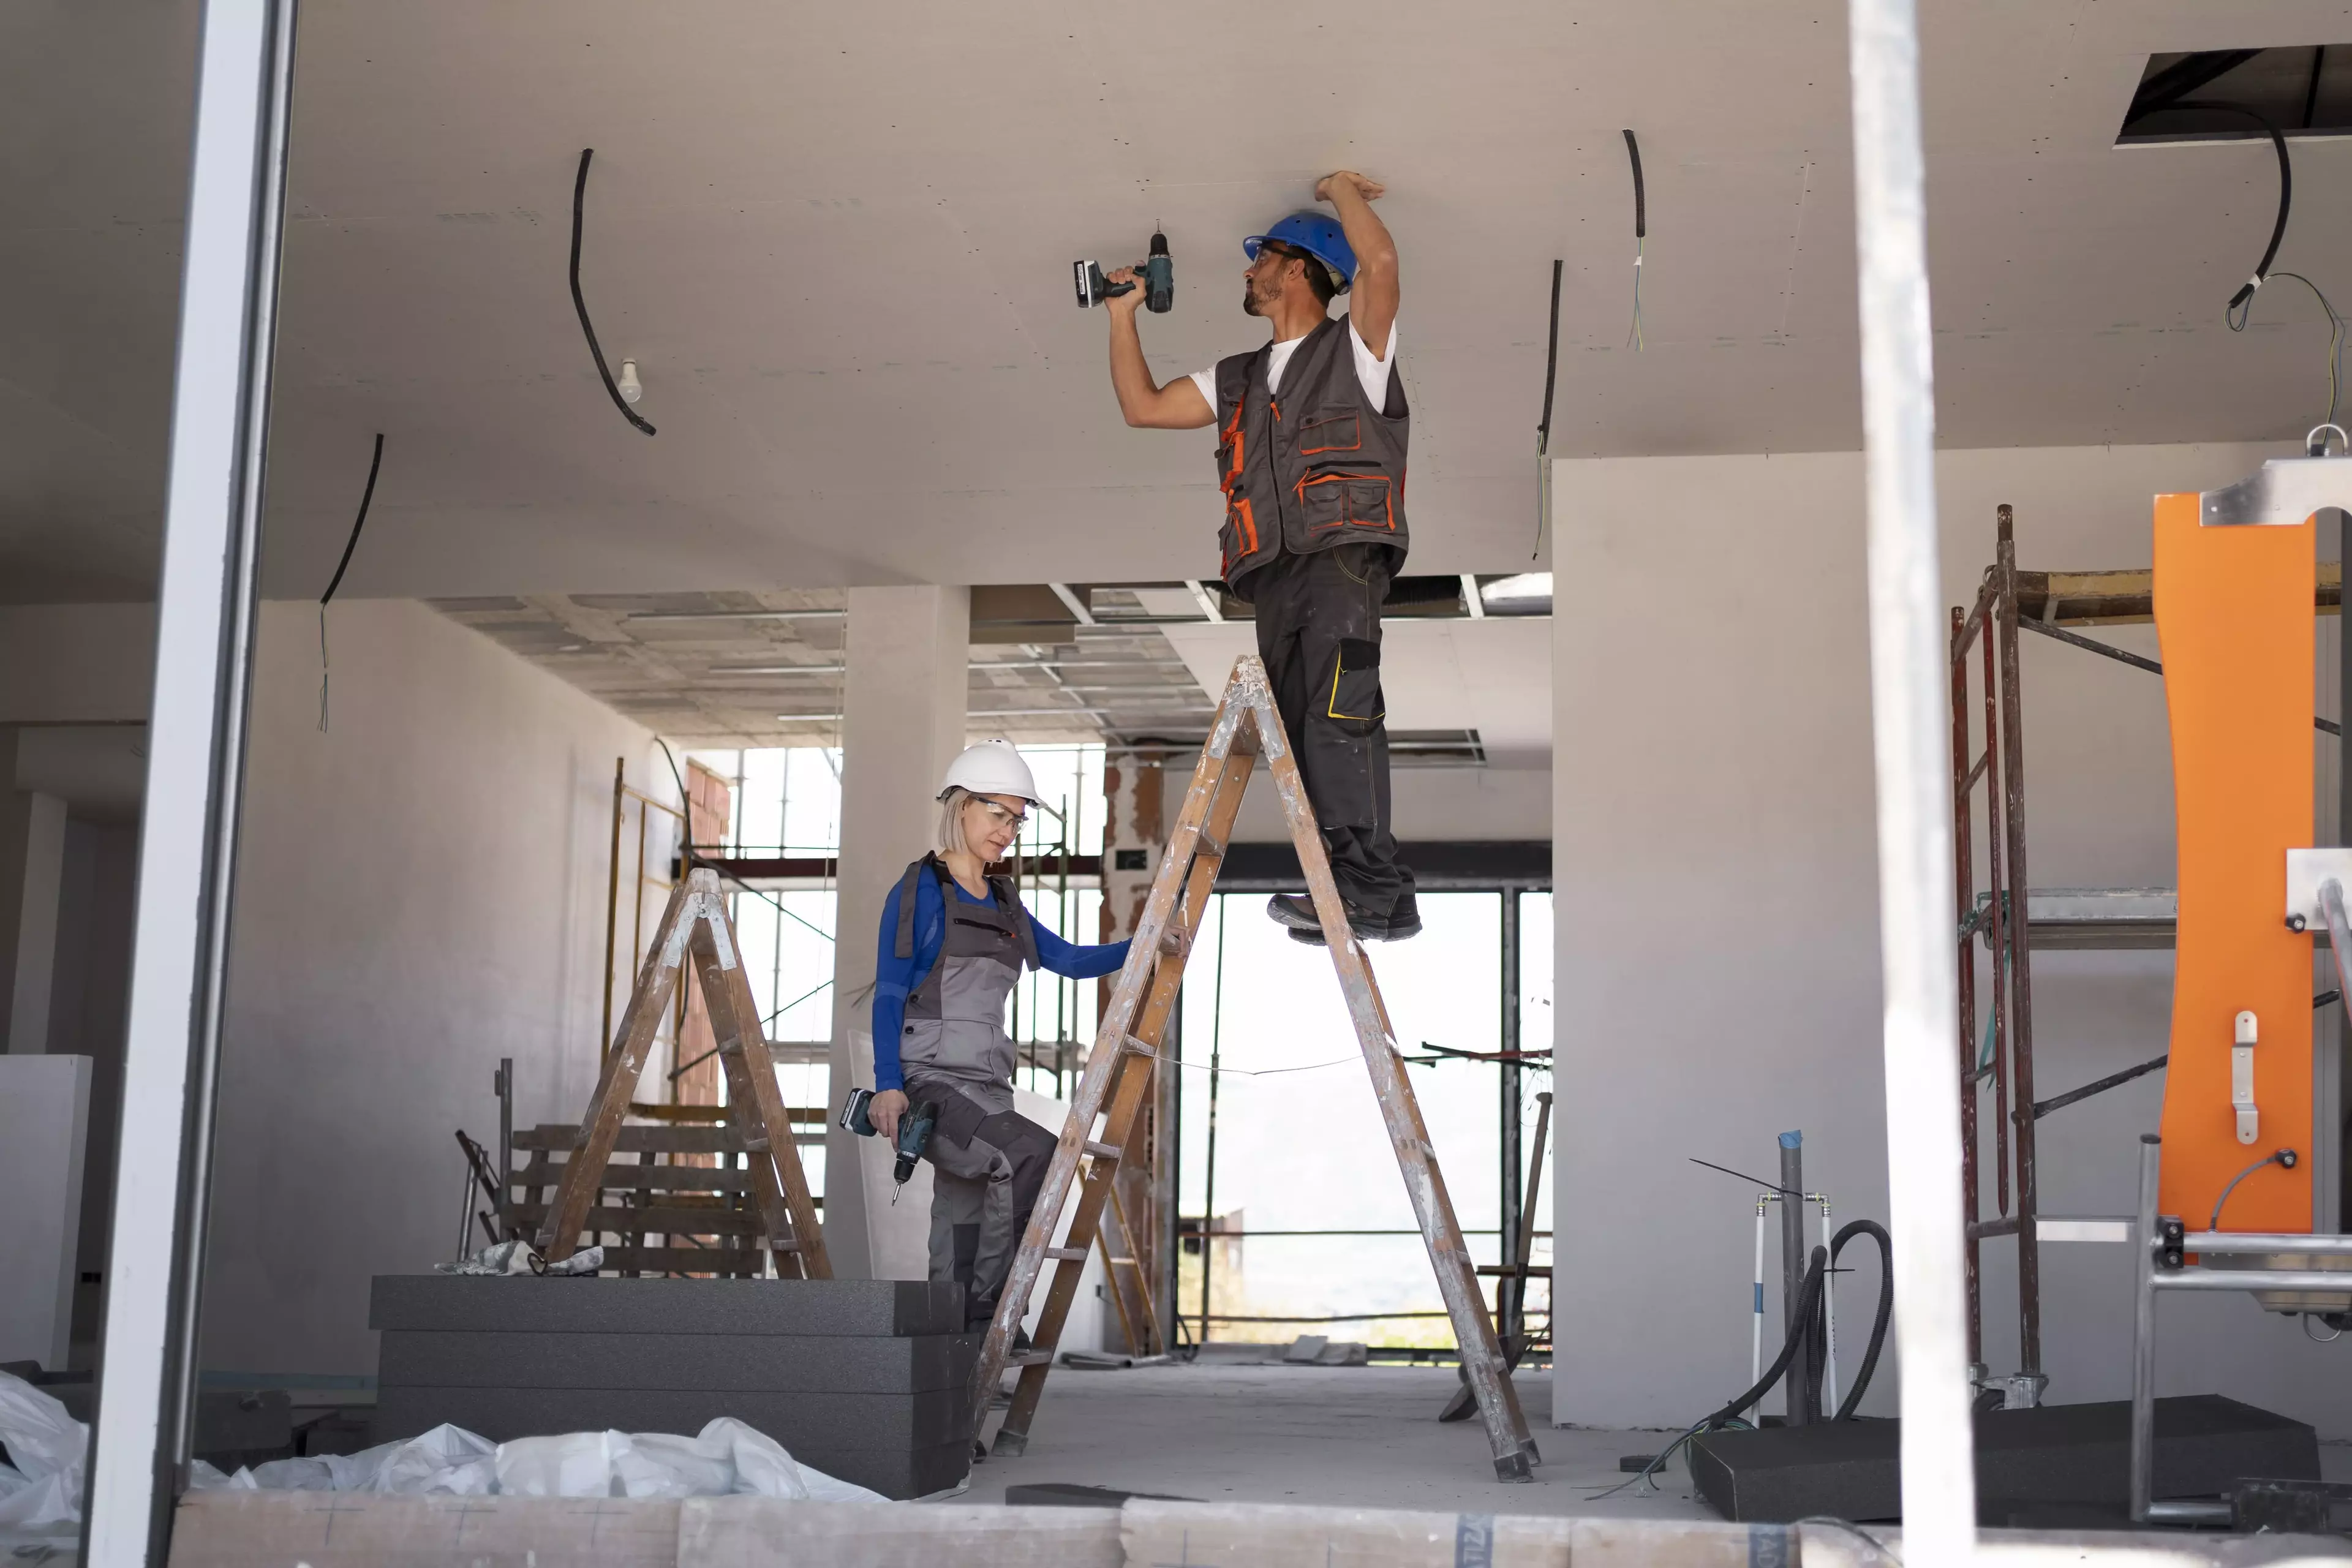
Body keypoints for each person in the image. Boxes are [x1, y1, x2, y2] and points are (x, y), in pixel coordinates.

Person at [1101, 170, 1419, 944]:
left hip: (1342, 558)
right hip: (1273, 574)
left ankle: (1369, 886)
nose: (1248, 271)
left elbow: (1378, 269)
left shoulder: (1358, 348)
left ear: (1301, 268)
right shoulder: (1237, 378)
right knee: (1299, 738)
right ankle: (1369, 892)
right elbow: (1143, 408)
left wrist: (1343, 191)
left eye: (1261, 257)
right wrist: (1121, 317)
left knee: (1339, 718)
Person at [865, 740, 1132, 1332]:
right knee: (1031, 1154)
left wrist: (1146, 946)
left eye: (1018, 818)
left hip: (989, 1087)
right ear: (962, 806)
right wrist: (889, 1085)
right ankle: (995, 1314)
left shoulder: (1006, 902)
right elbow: (889, 992)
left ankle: (953, 1349)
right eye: (998, 814)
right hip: (931, 1082)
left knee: (960, 1222)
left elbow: (1069, 958)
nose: (1009, 830)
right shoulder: (920, 892)